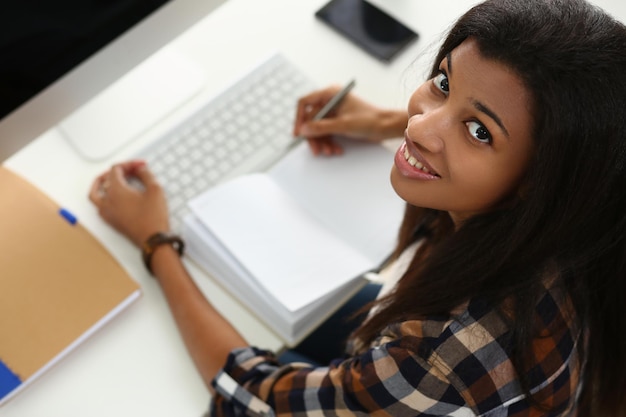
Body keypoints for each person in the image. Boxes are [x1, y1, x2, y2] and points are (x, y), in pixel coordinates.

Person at [89, 0, 626, 415]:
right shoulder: (589, 213)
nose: (418, 124)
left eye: (478, 130)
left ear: (545, 178)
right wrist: (383, 122)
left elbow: (255, 396)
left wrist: (156, 242)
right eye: (442, 83)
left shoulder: (439, 360)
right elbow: (475, 127)